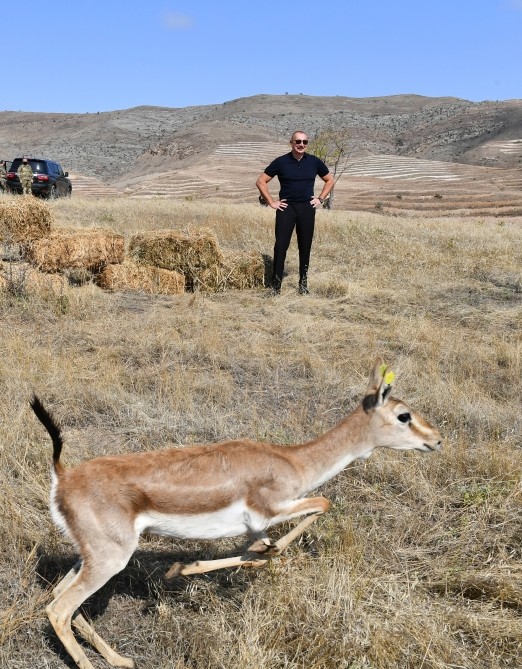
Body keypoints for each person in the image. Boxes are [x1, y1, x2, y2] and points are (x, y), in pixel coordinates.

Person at [256, 130, 334, 295]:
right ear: (291, 143)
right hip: (286, 208)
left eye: (305, 142)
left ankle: (303, 284)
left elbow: (329, 180)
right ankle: (276, 286)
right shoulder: (281, 162)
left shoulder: (314, 162)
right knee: (280, 246)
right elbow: (261, 181)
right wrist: (271, 202)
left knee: (305, 246)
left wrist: (320, 199)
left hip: (307, 208)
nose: (301, 145)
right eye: (298, 141)